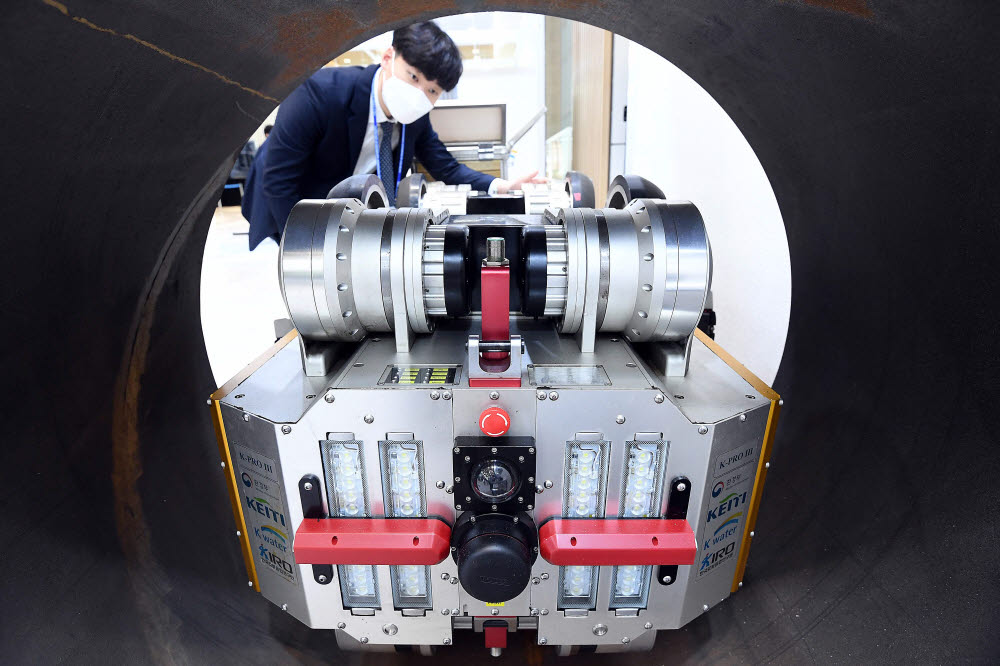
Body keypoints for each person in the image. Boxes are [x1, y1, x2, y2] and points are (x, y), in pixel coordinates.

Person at [242, 21, 545, 250]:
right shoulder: (319, 93)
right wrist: (304, 250)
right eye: (413, 76)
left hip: (346, 206)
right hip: (291, 196)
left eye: (432, 90)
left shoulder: (415, 117)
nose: (419, 94)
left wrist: (499, 184)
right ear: (388, 58)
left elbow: (445, 167)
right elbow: (279, 183)